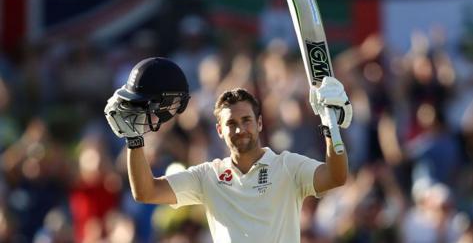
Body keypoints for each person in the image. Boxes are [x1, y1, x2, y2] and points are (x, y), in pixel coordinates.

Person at [104, 57, 353, 243]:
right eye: (231, 124)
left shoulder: (288, 166)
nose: (239, 129)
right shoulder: (208, 176)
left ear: (259, 123)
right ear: (220, 131)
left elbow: (335, 176)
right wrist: (134, 139)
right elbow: (146, 192)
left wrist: (330, 126)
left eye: (246, 121)